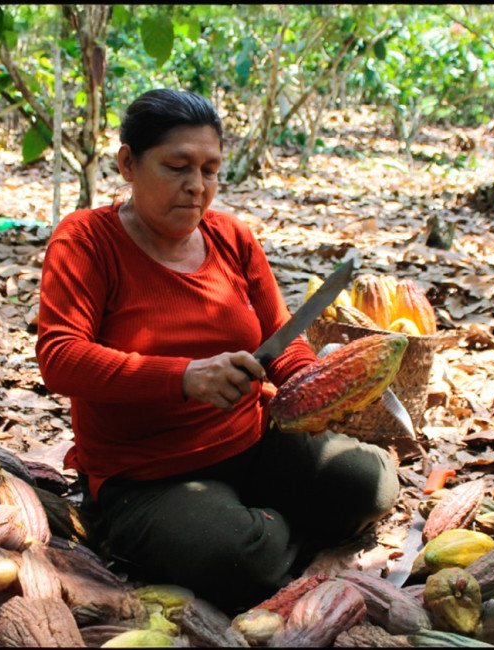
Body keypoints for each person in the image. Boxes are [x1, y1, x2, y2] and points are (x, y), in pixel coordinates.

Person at [35, 88, 399, 613]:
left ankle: (260, 524)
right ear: (127, 164)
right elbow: (60, 357)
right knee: (241, 557)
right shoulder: (87, 240)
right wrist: (182, 377)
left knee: (370, 484)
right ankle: (247, 532)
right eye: (177, 166)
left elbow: (281, 336)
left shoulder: (231, 236)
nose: (196, 187)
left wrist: (313, 386)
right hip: (146, 476)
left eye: (210, 169)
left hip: (252, 444)